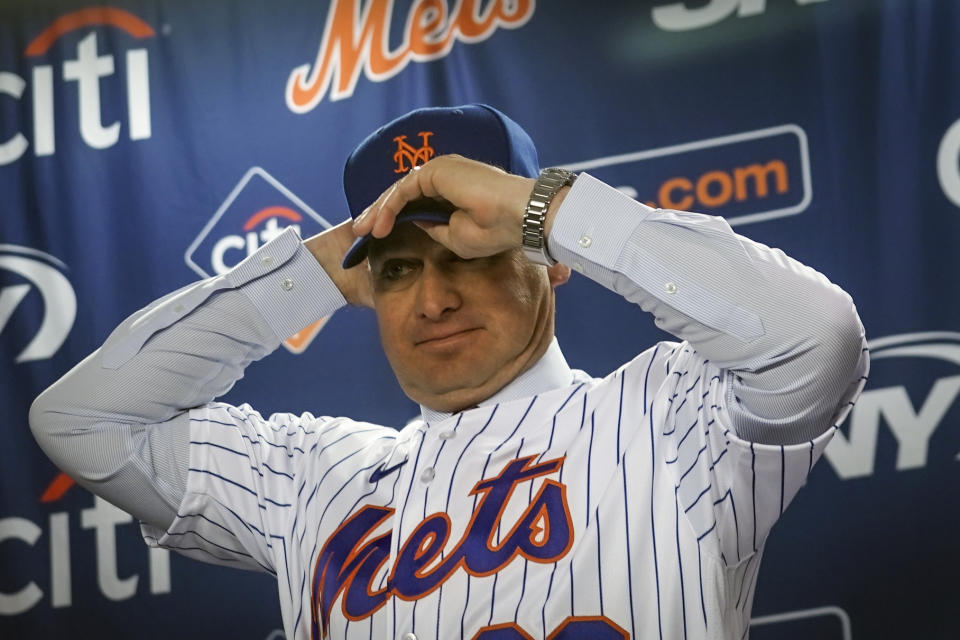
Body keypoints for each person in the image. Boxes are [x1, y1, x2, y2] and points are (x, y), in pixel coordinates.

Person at [30, 104, 868, 640]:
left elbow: (817, 338)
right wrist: (317, 270)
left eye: (469, 249)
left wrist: (539, 208)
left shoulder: (669, 417)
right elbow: (81, 421)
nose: (431, 299)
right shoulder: (314, 477)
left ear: (552, 259)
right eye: (394, 268)